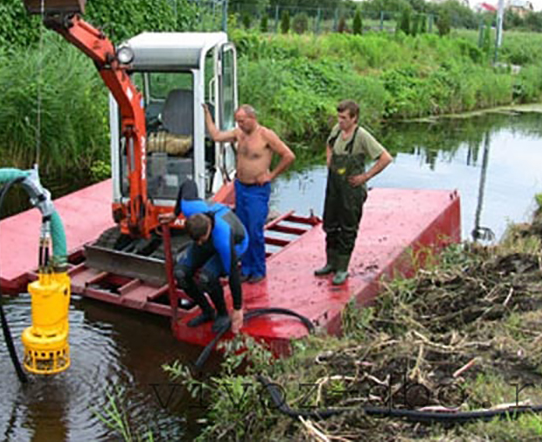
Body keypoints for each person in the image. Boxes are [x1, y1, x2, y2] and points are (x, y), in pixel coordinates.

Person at [203, 103, 295, 283]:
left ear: (252, 119)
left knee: (255, 230)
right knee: (242, 230)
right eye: (237, 121)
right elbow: (216, 136)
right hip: (241, 186)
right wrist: (206, 113)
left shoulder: (265, 135)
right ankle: (245, 268)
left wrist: (271, 175)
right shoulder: (239, 134)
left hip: (257, 190)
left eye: (242, 121)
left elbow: (289, 155)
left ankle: (258, 270)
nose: (239, 125)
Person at [314, 100, 392, 285]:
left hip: (352, 190)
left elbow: (385, 158)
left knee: (348, 228)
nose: (339, 121)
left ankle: (342, 269)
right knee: (330, 224)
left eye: (343, 118)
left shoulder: (362, 136)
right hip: (334, 185)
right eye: (338, 117)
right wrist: (329, 160)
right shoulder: (336, 130)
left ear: (354, 118)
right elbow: (329, 145)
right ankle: (330, 263)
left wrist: (365, 177)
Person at [159, 180, 248, 333]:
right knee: (180, 273)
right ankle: (207, 311)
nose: (198, 243)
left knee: (207, 277)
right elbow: (187, 184)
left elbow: (233, 273)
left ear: (207, 231)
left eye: (200, 240)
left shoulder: (223, 237)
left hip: (237, 244)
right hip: (210, 239)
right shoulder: (189, 208)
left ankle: (222, 314)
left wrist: (238, 308)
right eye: (196, 241)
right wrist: (175, 213)